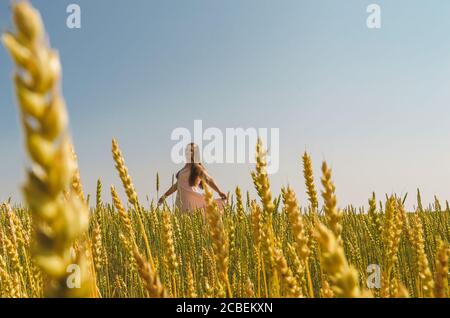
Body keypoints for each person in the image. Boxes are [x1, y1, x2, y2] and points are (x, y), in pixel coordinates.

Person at [158, 143, 227, 212]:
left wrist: (219, 191)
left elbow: (208, 179)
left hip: (191, 200)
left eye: (191, 150)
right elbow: (176, 185)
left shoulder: (197, 168)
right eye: (187, 150)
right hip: (180, 201)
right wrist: (164, 196)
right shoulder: (184, 169)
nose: (188, 152)